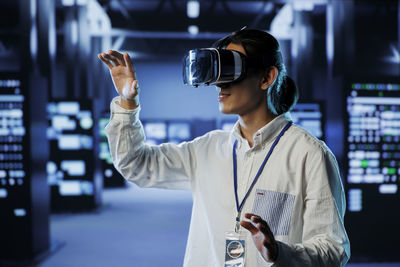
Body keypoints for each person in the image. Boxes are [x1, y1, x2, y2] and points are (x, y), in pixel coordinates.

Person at [98, 28, 350, 267]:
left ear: (266, 77)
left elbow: (333, 249)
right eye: (219, 72)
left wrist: (280, 253)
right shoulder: (208, 148)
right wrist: (127, 104)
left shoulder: (309, 155)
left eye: (232, 69)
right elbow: (136, 164)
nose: (220, 84)